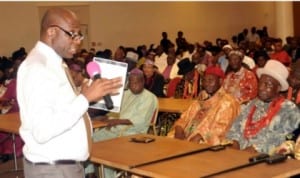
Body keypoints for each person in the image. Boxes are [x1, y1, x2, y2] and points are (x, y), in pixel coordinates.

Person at [17, 8, 122, 178]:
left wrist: (87, 92)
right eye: (72, 34)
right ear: (52, 31)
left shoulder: (54, 64)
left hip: (61, 168)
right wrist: (85, 98)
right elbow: (42, 130)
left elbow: (58, 107)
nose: (78, 41)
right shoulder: (38, 68)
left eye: (79, 35)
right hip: (53, 170)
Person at [88, 68, 158, 177]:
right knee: (89, 142)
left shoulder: (149, 98)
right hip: (113, 129)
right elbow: (116, 113)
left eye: (137, 82)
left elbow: (140, 121)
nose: (134, 85)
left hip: (131, 133)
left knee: (104, 153)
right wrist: (105, 117)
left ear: (143, 82)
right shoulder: (126, 94)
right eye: (131, 82)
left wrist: (117, 121)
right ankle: (90, 172)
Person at [226, 60, 300, 154]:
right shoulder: (251, 104)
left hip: (265, 161)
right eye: (261, 82)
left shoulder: (289, 110)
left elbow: (281, 141)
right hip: (238, 156)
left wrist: (250, 152)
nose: (261, 87)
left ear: (278, 88)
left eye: (268, 84)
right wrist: (234, 146)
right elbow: (234, 129)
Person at [168, 66, 240, 145]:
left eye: (210, 80)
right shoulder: (201, 98)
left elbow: (221, 130)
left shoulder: (227, 102)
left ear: (220, 81)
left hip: (203, 143)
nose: (206, 84)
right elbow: (184, 117)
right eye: (204, 80)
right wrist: (179, 128)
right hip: (185, 137)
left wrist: (200, 136)